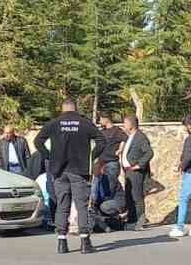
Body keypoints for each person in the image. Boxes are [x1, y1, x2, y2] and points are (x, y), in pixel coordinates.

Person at [34, 99, 102, 254]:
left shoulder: (54, 123)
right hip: (80, 169)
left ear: (62, 109)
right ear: (75, 109)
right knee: (81, 205)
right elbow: (101, 140)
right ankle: (85, 242)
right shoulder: (84, 123)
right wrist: (91, 156)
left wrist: (49, 156)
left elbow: (38, 141)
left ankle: (62, 243)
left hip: (59, 170)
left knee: (62, 205)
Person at [121, 113, 153, 229]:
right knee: (129, 196)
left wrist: (139, 165)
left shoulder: (140, 137)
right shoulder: (131, 136)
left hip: (135, 172)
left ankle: (141, 220)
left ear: (131, 124)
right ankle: (132, 220)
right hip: (128, 171)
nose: (123, 126)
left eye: (125, 123)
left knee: (136, 196)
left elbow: (149, 152)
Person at [90, 159, 128, 233]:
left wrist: (95, 203)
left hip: (118, 202)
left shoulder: (109, 178)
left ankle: (118, 218)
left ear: (102, 169)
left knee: (103, 206)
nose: (94, 171)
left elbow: (107, 196)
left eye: (97, 168)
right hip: (106, 202)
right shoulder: (96, 179)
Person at [94, 112, 127, 188]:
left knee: (110, 187)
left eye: (101, 119)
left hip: (111, 163)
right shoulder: (101, 132)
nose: (99, 121)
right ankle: (94, 199)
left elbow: (125, 138)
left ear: (106, 119)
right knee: (96, 186)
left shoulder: (117, 131)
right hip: (100, 163)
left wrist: (120, 149)